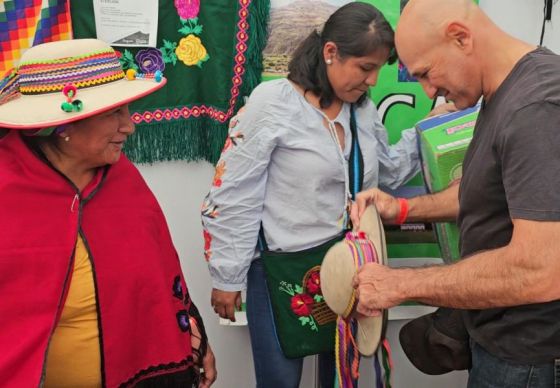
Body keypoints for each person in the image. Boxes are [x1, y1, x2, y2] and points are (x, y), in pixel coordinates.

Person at [201, 3, 425, 387]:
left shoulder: (363, 111)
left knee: (342, 376)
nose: (373, 82)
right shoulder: (273, 103)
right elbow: (235, 190)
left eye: (378, 69)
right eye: (366, 68)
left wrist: (431, 130)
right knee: (278, 383)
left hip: (348, 269)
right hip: (280, 270)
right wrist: (227, 275)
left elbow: (385, 171)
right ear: (331, 53)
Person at [351, 1, 560, 387]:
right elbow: (484, 191)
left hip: (530, 357)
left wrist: (401, 285)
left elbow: (540, 270)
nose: (430, 90)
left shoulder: (536, 108)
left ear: (460, 37)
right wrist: (400, 208)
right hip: (498, 339)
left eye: (426, 73)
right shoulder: (503, 91)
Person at [0, 39, 216, 387]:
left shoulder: (123, 179)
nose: (128, 126)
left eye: (126, 111)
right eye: (112, 113)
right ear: (65, 124)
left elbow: (160, 275)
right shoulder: (7, 189)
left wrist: (192, 332)